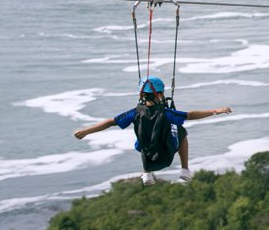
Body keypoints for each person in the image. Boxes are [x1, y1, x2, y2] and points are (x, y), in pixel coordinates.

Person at [73, 76, 232, 185]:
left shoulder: (135, 112)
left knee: (143, 139)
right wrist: (215, 111)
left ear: (142, 95)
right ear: (159, 94)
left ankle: (146, 173)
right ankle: (185, 169)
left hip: (149, 158)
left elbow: (110, 122)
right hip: (166, 156)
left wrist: (85, 131)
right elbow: (190, 115)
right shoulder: (167, 113)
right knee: (181, 131)